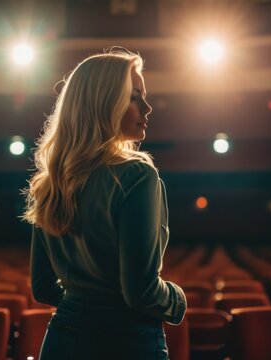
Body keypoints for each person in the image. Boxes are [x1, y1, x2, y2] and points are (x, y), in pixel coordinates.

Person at [23, 48, 186, 360]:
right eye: (135, 97)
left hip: (61, 338)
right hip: (126, 340)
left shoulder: (50, 181)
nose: (148, 108)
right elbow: (141, 292)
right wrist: (178, 301)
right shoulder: (137, 175)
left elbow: (43, 288)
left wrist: (84, 308)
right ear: (105, 102)